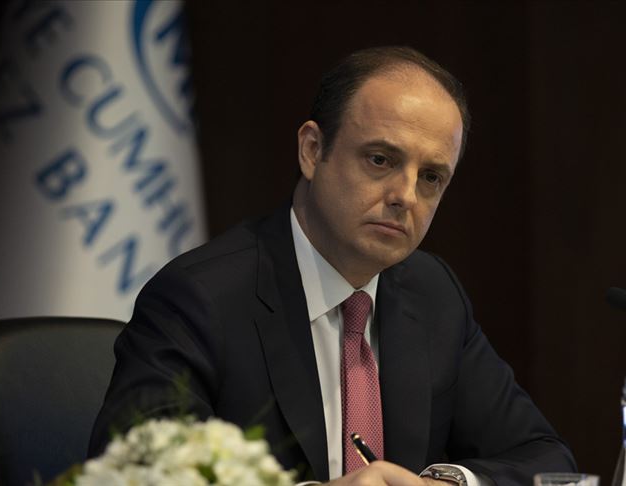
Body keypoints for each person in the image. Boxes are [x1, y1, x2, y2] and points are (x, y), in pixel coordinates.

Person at [89, 46, 576, 485]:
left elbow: (546, 460)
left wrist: (442, 485)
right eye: (380, 160)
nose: (405, 196)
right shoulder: (200, 299)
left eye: (430, 177)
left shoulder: (434, 295)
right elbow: (138, 474)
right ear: (312, 151)